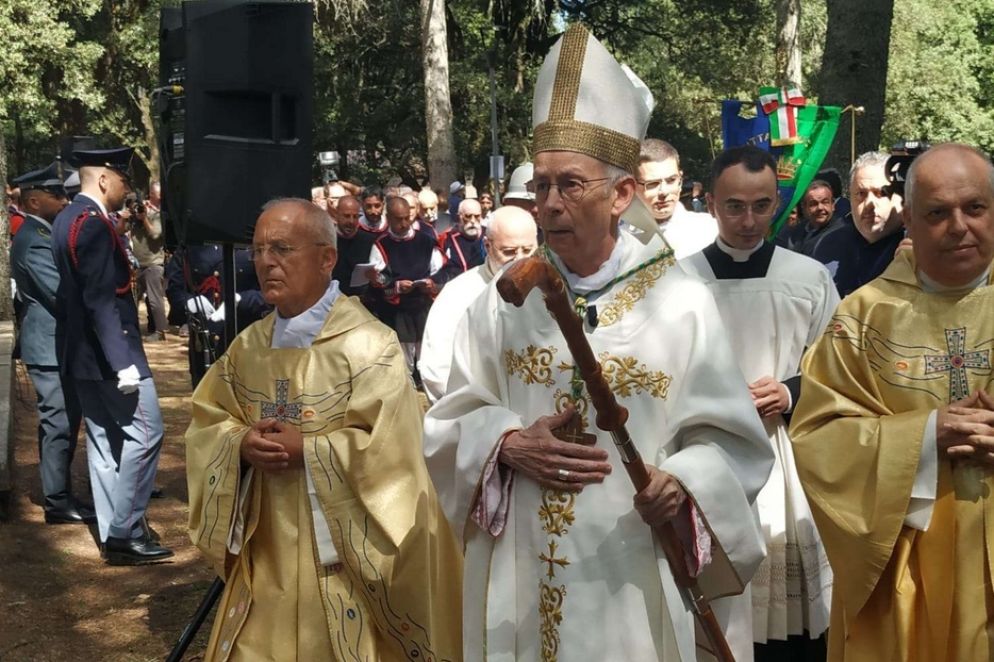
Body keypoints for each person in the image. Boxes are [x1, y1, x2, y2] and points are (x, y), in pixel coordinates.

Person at [423, 24, 772, 660]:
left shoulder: (681, 300)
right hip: (525, 568)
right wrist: (505, 442)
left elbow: (736, 444)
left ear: (623, 195)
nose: (550, 205)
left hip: (634, 563)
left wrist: (684, 482)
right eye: (542, 187)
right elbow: (449, 421)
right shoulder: (502, 303)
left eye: (571, 185)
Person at [186, 198, 462, 661]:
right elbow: (209, 421)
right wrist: (239, 443)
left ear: (326, 257)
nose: (266, 262)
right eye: (257, 251)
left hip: (339, 558)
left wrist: (309, 450)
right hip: (266, 549)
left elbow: (393, 449)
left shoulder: (369, 345)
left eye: (282, 249)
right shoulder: (247, 347)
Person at [789, 143, 994, 661]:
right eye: (936, 213)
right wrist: (927, 436)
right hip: (902, 568)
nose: (958, 226)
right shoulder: (864, 318)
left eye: (975, 208)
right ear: (911, 221)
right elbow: (818, 438)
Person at [681, 146, 838, 661]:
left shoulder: (808, 277)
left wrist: (791, 390)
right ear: (709, 203)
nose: (749, 221)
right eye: (734, 207)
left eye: (762, 206)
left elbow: (840, 370)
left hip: (786, 459)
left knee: (792, 630)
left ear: (777, 204)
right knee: (716, 617)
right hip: (705, 459)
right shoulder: (676, 282)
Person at [50, 147, 172, 564]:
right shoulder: (94, 226)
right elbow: (101, 300)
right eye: (123, 181)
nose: (126, 190)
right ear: (104, 179)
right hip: (110, 353)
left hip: (83, 354)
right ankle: (124, 529)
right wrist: (123, 364)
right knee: (147, 432)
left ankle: (113, 527)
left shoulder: (68, 217)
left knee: (103, 441)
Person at [10, 163, 92, 525]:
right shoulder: (33, 240)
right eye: (55, 195)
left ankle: (63, 494)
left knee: (65, 420)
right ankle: (57, 502)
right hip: (47, 347)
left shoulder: (43, 234)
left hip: (56, 344)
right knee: (57, 422)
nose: (63, 200)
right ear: (32, 200)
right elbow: (60, 295)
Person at [419, 206, 538, 403]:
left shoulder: (552, 290)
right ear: (487, 245)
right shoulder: (457, 295)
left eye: (528, 250)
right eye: (509, 251)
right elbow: (437, 371)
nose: (520, 260)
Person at [164, 244, 270, 387]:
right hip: (204, 343)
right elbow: (175, 289)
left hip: (248, 341)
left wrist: (242, 300)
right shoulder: (190, 244)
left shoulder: (252, 241)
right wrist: (188, 302)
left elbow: (273, 293)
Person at [367, 196, 445, 381]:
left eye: (406, 218)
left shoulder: (426, 242)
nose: (403, 224)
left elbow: (441, 271)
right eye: (397, 219)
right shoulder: (381, 245)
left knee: (428, 356)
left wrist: (430, 283)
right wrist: (396, 286)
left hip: (423, 305)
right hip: (398, 311)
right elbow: (377, 277)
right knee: (405, 360)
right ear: (389, 217)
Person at [810, 151, 907, 296]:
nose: (870, 203)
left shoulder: (918, 249)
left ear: (901, 196)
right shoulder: (828, 245)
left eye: (882, 193)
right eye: (861, 194)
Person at [633, 138, 718, 258]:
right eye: (652, 184)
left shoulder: (712, 230)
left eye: (671, 180)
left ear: (680, 179)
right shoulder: (619, 239)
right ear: (632, 186)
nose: (664, 191)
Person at [129, 181, 168, 341]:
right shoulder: (139, 212)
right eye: (158, 194)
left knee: (154, 299)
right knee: (132, 299)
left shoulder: (160, 215)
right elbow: (124, 229)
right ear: (151, 194)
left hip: (153, 262)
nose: (160, 197)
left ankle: (160, 332)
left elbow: (154, 234)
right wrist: (132, 214)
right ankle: (131, 329)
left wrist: (144, 218)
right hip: (137, 263)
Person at [777, 180, 843, 256]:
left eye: (825, 202)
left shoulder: (841, 232)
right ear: (804, 208)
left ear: (833, 205)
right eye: (813, 204)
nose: (820, 207)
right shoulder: (796, 231)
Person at [330, 195, 378, 298]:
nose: (351, 222)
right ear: (336, 215)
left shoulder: (369, 241)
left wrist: (377, 279)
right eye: (346, 216)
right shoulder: (326, 240)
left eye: (355, 216)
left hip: (362, 302)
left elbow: (385, 275)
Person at [438, 198, 486, 279]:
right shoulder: (446, 238)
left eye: (477, 216)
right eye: (468, 216)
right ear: (459, 216)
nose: (473, 221)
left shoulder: (489, 234)